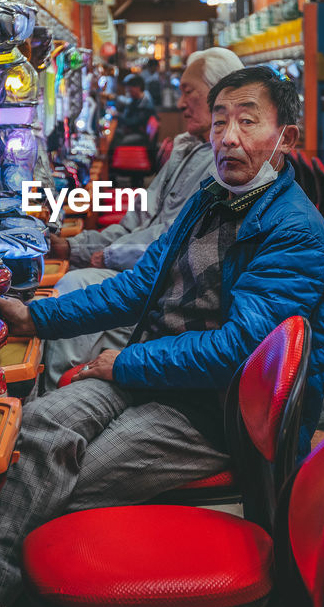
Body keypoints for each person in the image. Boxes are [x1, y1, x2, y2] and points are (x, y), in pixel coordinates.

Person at [0, 66, 324, 607]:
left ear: (285, 137)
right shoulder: (213, 196)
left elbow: (239, 350)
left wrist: (124, 362)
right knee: (34, 430)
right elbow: (141, 284)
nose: (229, 137)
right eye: (220, 122)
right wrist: (35, 318)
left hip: (219, 412)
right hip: (152, 373)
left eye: (248, 121)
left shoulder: (293, 231)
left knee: (54, 484)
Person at [40, 47, 244, 391]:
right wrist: (72, 246)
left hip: (164, 297)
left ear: (220, 96)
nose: (180, 103)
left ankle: (59, 392)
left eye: (187, 92)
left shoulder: (221, 164)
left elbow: (169, 245)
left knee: (71, 287)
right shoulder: (185, 148)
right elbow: (136, 221)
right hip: (142, 278)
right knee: (69, 281)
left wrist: (104, 256)